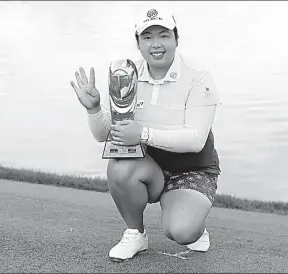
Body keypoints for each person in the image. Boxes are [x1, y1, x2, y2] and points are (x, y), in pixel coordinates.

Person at [70, 8, 221, 262]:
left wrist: (142, 134)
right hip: (149, 168)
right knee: (119, 166)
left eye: (163, 35)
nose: (156, 44)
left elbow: (195, 140)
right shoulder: (127, 73)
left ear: (176, 39)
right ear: (138, 43)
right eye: (147, 37)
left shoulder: (198, 76)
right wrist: (94, 109)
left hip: (192, 170)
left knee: (182, 231)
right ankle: (135, 234)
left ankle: (192, 221)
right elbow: (103, 135)